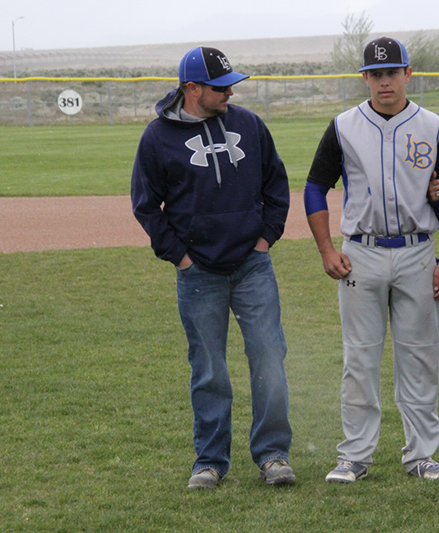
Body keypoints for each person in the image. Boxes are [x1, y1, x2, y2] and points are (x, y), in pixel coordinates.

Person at [131, 46, 295, 489]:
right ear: (192, 88)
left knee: (269, 359)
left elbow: (276, 186)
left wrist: (264, 241)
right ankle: (209, 461)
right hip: (198, 273)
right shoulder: (157, 138)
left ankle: (273, 454)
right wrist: (180, 257)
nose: (229, 93)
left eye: (231, 85)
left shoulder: (248, 125)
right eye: (220, 87)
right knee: (208, 369)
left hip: (252, 267)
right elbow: (147, 207)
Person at [304, 36, 439, 483]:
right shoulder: (344, 125)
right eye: (375, 74)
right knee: (360, 359)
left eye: (392, 72)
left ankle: (421, 456)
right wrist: (326, 249)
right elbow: (316, 187)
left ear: (407, 74)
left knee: (420, 358)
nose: (384, 81)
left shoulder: (432, 125)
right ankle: (355, 455)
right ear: (365, 78)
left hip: (417, 252)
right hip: (362, 253)